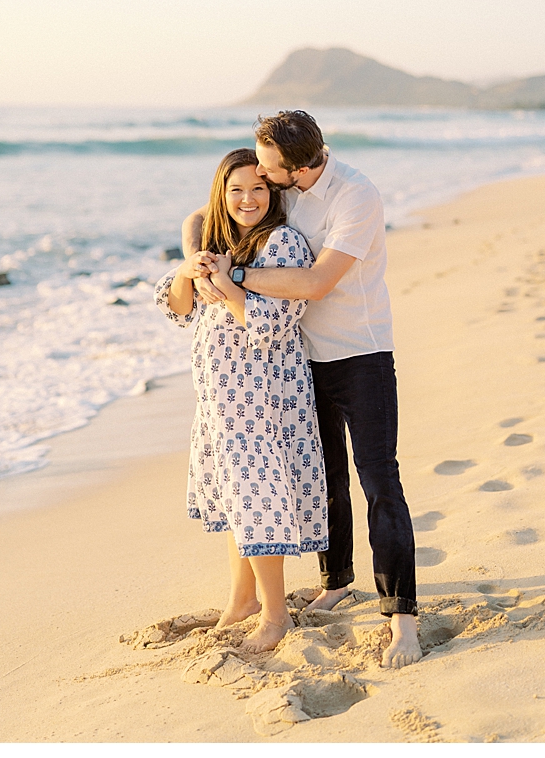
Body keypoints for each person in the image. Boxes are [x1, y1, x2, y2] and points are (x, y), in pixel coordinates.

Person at [182, 110, 421, 670]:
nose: (261, 177)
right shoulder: (286, 190)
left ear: (300, 166)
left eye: (268, 168)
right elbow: (205, 211)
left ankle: (403, 617)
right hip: (300, 358)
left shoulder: (356, 196)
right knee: (324, 474)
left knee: (379, 479)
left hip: (359, 353)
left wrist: (231, 276)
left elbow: (315, 282)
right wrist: (195, 257)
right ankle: (336, 581)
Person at [156, 148, 327, 653]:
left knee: (259, 496)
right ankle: (241, 600)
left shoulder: (284, 243)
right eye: (236, 190)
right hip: (220, 399)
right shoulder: (217, 242)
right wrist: (190, 269)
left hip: (261, 395)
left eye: (258, 188)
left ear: (273, 192)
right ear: (221, 195)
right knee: (236, 497)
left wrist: (228, 283)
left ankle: (275, 615)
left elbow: (273, 324)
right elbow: (177, 309)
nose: (247, 199)